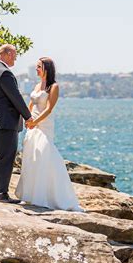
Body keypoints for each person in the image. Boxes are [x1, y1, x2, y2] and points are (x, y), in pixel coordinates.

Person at [15, 57, 82, 211]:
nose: (37, 69)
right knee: (31, 156)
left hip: (44, 125)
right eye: (37, 66)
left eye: (39, 67)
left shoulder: (54, 87)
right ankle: (31, 195)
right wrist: (27, 118)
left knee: (45, 154)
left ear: (47, 68)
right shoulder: (37, 85)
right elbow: (30, 105)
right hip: (32, 125)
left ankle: (52, 195)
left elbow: (49, 109)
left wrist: (35, 121)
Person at [0, 44, 34, 203]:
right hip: (4, 123)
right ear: (7, 54)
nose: (16, 58)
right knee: (5, 158)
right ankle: (1, 194)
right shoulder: (4, 73)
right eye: (15, 55)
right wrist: (28, 117)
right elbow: (15, 97)